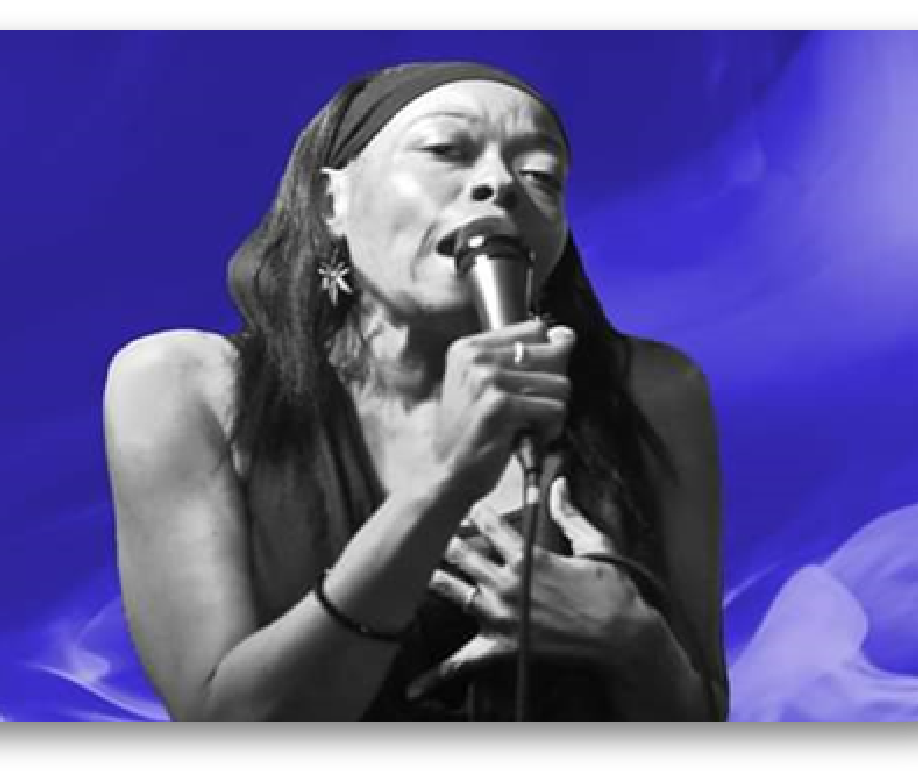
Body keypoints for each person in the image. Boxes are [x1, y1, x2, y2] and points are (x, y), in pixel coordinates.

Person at [103, 61, 728, 721]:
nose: (499, 183)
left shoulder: (652, 390)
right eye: (446, 151)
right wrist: (445, 480)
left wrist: (631, 640)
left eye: (541, 175)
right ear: (332, 204)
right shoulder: (185, 385)